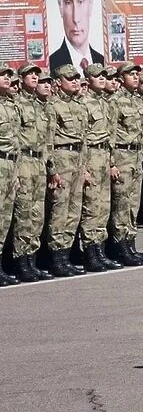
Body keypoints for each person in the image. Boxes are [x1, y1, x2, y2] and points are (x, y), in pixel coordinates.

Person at [10, 65, 54, 282]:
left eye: (37, 74)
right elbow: (14, 139)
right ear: (22, 79)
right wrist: (16, 172)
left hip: (39, 162)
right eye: (31, 74)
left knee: (37, 215)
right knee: (24, 214)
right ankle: (20, 261)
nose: (35, 77)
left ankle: (31, 260)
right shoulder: (16, 104)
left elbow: (47, 141)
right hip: (24, 161)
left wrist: (50, 169)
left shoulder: (39, 106)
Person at [45, 64, 89, 277]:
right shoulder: (52, 107)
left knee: (74, 211)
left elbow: (84, 140)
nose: (74, 81)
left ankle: (66, 255)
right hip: (62, 159)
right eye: (69, 78)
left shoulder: (80, 106)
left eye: (76, 78)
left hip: (78, 160)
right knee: (59, 211)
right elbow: (49, 140)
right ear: (58, 82)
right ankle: (56, 258)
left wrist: (85, 167)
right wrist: (53, 170)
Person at [79, 64, 123, 271]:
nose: (103, 79)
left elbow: (111, 136)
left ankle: (99, 250)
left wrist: (112, 162)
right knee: (91, 207)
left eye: (104, 76)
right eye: (98, 76)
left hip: (105, 156)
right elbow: (82, 138)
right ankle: (90, 252)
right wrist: (84, 168)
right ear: (88, 81)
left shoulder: (105, 103)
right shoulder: (83, 104)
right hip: (92, 157)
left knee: (103, 207)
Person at [108, 61, 143, 266]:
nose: (135, 77)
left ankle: (130, 243)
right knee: (122, 204)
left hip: (136, 157)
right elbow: (110, 133)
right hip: (122, 156)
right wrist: (111, 162)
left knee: (133, 205)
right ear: (120, 78)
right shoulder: (114, 101)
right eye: (130, 74)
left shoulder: (138, 101)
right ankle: (120, 246)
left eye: (137, 74)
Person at [49, 0, 105, 73]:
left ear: (90, 2)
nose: (76, 18)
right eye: (68, 2)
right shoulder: (51, 65)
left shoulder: (103, 62)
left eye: (80, 1)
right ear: (60, 5)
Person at [0, 63, 21, 286]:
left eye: (8, 76)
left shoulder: (10, 105)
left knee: (5, 219)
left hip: (10, 164)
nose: (7, 79)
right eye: (2, 76)